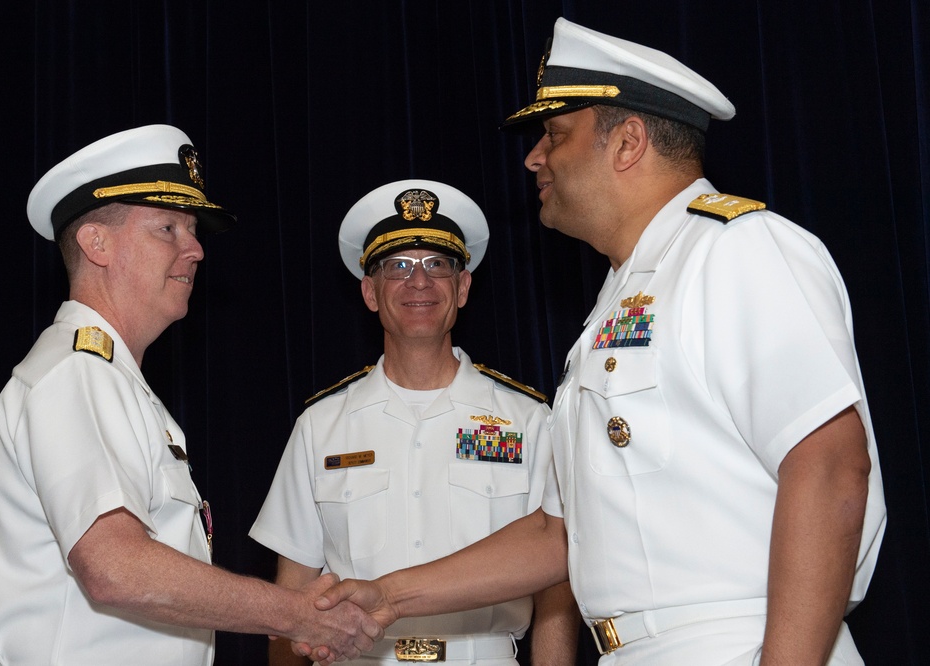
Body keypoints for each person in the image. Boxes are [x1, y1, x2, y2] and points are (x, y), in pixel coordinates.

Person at [307, 18, 888, 666]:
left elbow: (831, 466)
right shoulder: (617, 305)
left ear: (628, 142)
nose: (534, 158)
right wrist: (388, 595)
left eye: (554, 135)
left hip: (742, 642)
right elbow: (560, 535)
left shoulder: (735, 250)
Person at [0, 125, 382, 665]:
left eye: (193, 231)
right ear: (96, 243)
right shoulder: (77, 373)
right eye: (167, 227)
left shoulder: (116, 382)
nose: (195, 251)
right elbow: (114, 567)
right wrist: (297, 614)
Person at [250, 179, 579, 665]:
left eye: (437, 265)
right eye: (398, 266)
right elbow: (293, 594)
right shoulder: (321, 426)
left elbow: (557, 579)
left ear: (462, 288)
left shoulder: (530, 421)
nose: (418, 282)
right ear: (369, 292)